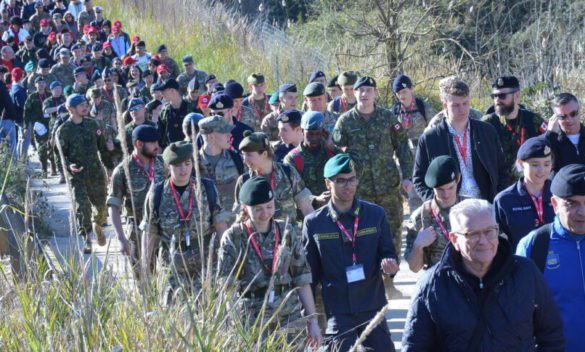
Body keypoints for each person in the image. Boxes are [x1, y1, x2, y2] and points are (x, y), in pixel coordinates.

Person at [402, 198, 565, 351]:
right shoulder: (431, 285)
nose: (483, 240)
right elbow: (415, 346)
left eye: (489, 231)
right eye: (472, 234)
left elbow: (551, 335)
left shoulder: (526, 273)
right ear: (454, 239)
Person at [303, 154, 399, 352]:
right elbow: (309, 275)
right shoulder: (314, 223)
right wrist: (310, 318)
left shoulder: (375, 215)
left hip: (372, 304)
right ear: (327, 183)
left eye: (352, 179)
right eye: (340, 181)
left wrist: (390, 265)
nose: (348, 186)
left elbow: (388, 252)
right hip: (338, 310)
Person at [217, 176, 322, 348]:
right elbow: (227, 286)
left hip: (289, 315)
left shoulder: (287, 230)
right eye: (257, 209)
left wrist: (313, 321)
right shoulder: (234, 237)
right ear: (244, 208)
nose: (265, 214)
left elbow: (302, 278)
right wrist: (236, 325)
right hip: (252, 318)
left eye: (269, 207)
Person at [332, 76, 412, 295]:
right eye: (361, 91)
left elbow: (403, 147)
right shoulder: (345, 122)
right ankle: (368, 283)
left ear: (375, 93)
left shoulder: (388, 118)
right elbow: (336, 154)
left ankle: (389, 279)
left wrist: (407, 176)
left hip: (388, 188)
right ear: (353, 93)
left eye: (369, 90)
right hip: (360, 191)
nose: (365, 94)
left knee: (393, 233)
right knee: (362, 236)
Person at [141, 141, 229, 303]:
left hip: (204, 265)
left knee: (206, 313)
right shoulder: (157, 193)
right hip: (171, 266)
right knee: (173, 316)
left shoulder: (206, 188)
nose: (183, 170)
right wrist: (145, 269)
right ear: (169, 167)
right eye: (177, 166)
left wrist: (225, 262)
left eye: (187, 164)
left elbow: (221, 226)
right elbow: (150, 233)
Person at [516, 164, 585, 352]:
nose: (582, 212)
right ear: (554, 204)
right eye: (572, 203)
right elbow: (516, 313)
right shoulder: (534, 245)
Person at [413, 76, 508, 202]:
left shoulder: (487, 131)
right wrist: (438, 204)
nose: (462, 109)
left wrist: (498, 200)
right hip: (451, 209)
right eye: (456, 105)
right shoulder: (430, 139)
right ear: (445, 105)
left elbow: (502, 170)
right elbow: (419, 180)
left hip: (486, 204)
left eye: (465, 103)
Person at [56, 94, 112, 253]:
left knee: (101, 206)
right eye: (80, 105)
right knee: (83, 207)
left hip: (95, 172)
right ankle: (87, 239)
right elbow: (60, 155)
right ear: (70, 109)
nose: (85, 106)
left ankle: (97, 224)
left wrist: (108, 167)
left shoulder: (94, 125)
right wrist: (69, 166)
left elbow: (103, 148)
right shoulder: (63, 130)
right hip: (77, 176)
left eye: (85, 103)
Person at [107, 125, 165, 277]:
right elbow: (113, 206)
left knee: (167, 276)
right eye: (153, 143)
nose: (157, 147)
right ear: (139, 144)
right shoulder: (122, 171)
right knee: (144, 278)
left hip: (164, 229)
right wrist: (121, 238)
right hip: (138, 233)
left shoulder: (163, 164)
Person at [234, 131, 313, 223]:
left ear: (264, 154)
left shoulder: (288, 172)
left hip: (289, 235)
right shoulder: (244, 181)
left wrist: (314, 232)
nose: (245, 160)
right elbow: (240, 218)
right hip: (258, 236)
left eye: (249, 155)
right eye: (243, 155)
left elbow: (306, 208)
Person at [494, 137, 555, 251]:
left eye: (547, 164)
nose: (541, 171)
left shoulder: (559, 194)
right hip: (521, 264)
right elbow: (498, 241)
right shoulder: (504, 200)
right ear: (521, 164)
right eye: (535, 164)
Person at [404, 155, 463, 273]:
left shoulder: (474, 209)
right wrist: (418, 246)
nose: (446, 194)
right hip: (439, 281)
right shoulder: (419, 217)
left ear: (458, 179)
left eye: (450, 188)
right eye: (440, 189)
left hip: (471, 281)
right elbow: (414, 268)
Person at [481, 76, 546, 181]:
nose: (497, 100)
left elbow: (548, 146)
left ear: (517, 95)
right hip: (497, 183)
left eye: (502, 96)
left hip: (527, 182)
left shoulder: (533, 120)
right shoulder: (487, 123)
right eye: (494, 96)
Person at [390, 74, 436, 213]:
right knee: (411, 193)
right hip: (405, 156)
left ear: (411, 89)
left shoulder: (423, 107)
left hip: (424, 153)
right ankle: (415, 225)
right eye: (399, 93)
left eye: (404, 91)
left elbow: (435, 127)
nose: (402, 96)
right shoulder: (395, 111)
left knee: (427, 188)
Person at [283, 111, 339, 207]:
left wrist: (333, 148)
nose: (314, 138)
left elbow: (351, 169)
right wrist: (314, 199)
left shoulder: (331, 153)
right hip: (306, 212)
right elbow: (289, 191)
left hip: (333, 210)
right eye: (310, 134)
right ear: (301, 131)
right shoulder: (292, 158)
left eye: (318, 134)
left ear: (323, 132)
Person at [197, 115, 245, 223]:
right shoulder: (191, 165)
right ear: (211, 137)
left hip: (234, 227)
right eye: (224, 132)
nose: (229, 135)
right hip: (204, 231)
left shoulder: (238, 160)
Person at [545, 93, 585, 172]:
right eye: (563, 117)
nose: (569, 120)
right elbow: (542, 164)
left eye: (573, 114)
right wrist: (550, 136)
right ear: (555, 118)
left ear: (579, 112)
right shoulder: (551, 140)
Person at [156, 78, 197, 148]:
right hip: (172, 153)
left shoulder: (192, 109)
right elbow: (160, 138)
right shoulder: (164, 113)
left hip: (191, 151)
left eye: (163, 91)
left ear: (172, 90)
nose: (161, 94)